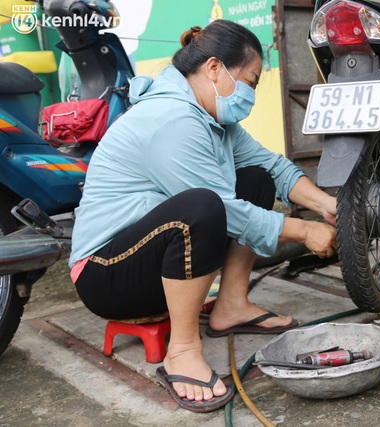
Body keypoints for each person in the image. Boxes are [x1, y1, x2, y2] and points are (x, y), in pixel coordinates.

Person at [68, 20, 337, 413]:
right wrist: (303, 231)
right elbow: (224, 213)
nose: (250, 94)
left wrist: (326, 206)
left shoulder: (214, 119)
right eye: (250, 81)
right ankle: (182, 350)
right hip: (105, 273)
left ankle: (230, 306)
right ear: (214, 68)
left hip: (148, 259)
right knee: (203, 207)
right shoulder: (172, 121)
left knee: (255, 180)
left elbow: (272, 168)